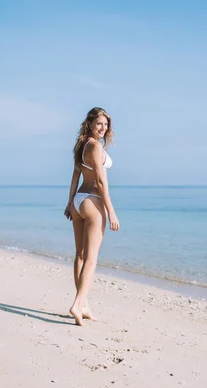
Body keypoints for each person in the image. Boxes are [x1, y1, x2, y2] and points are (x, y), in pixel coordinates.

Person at [64, 107, 120, 326]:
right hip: (93, 201)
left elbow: (75, 176)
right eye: (99, 124)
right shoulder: (95, 147)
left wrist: (70, 203)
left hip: (79, 201)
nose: (103, 128)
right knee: (91, 257)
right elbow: (100, 181)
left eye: (106, 125)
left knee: (80, 255)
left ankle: (83, 304)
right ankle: (78, 304)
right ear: (89, 123)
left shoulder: (81, 146)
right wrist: (111, 211)